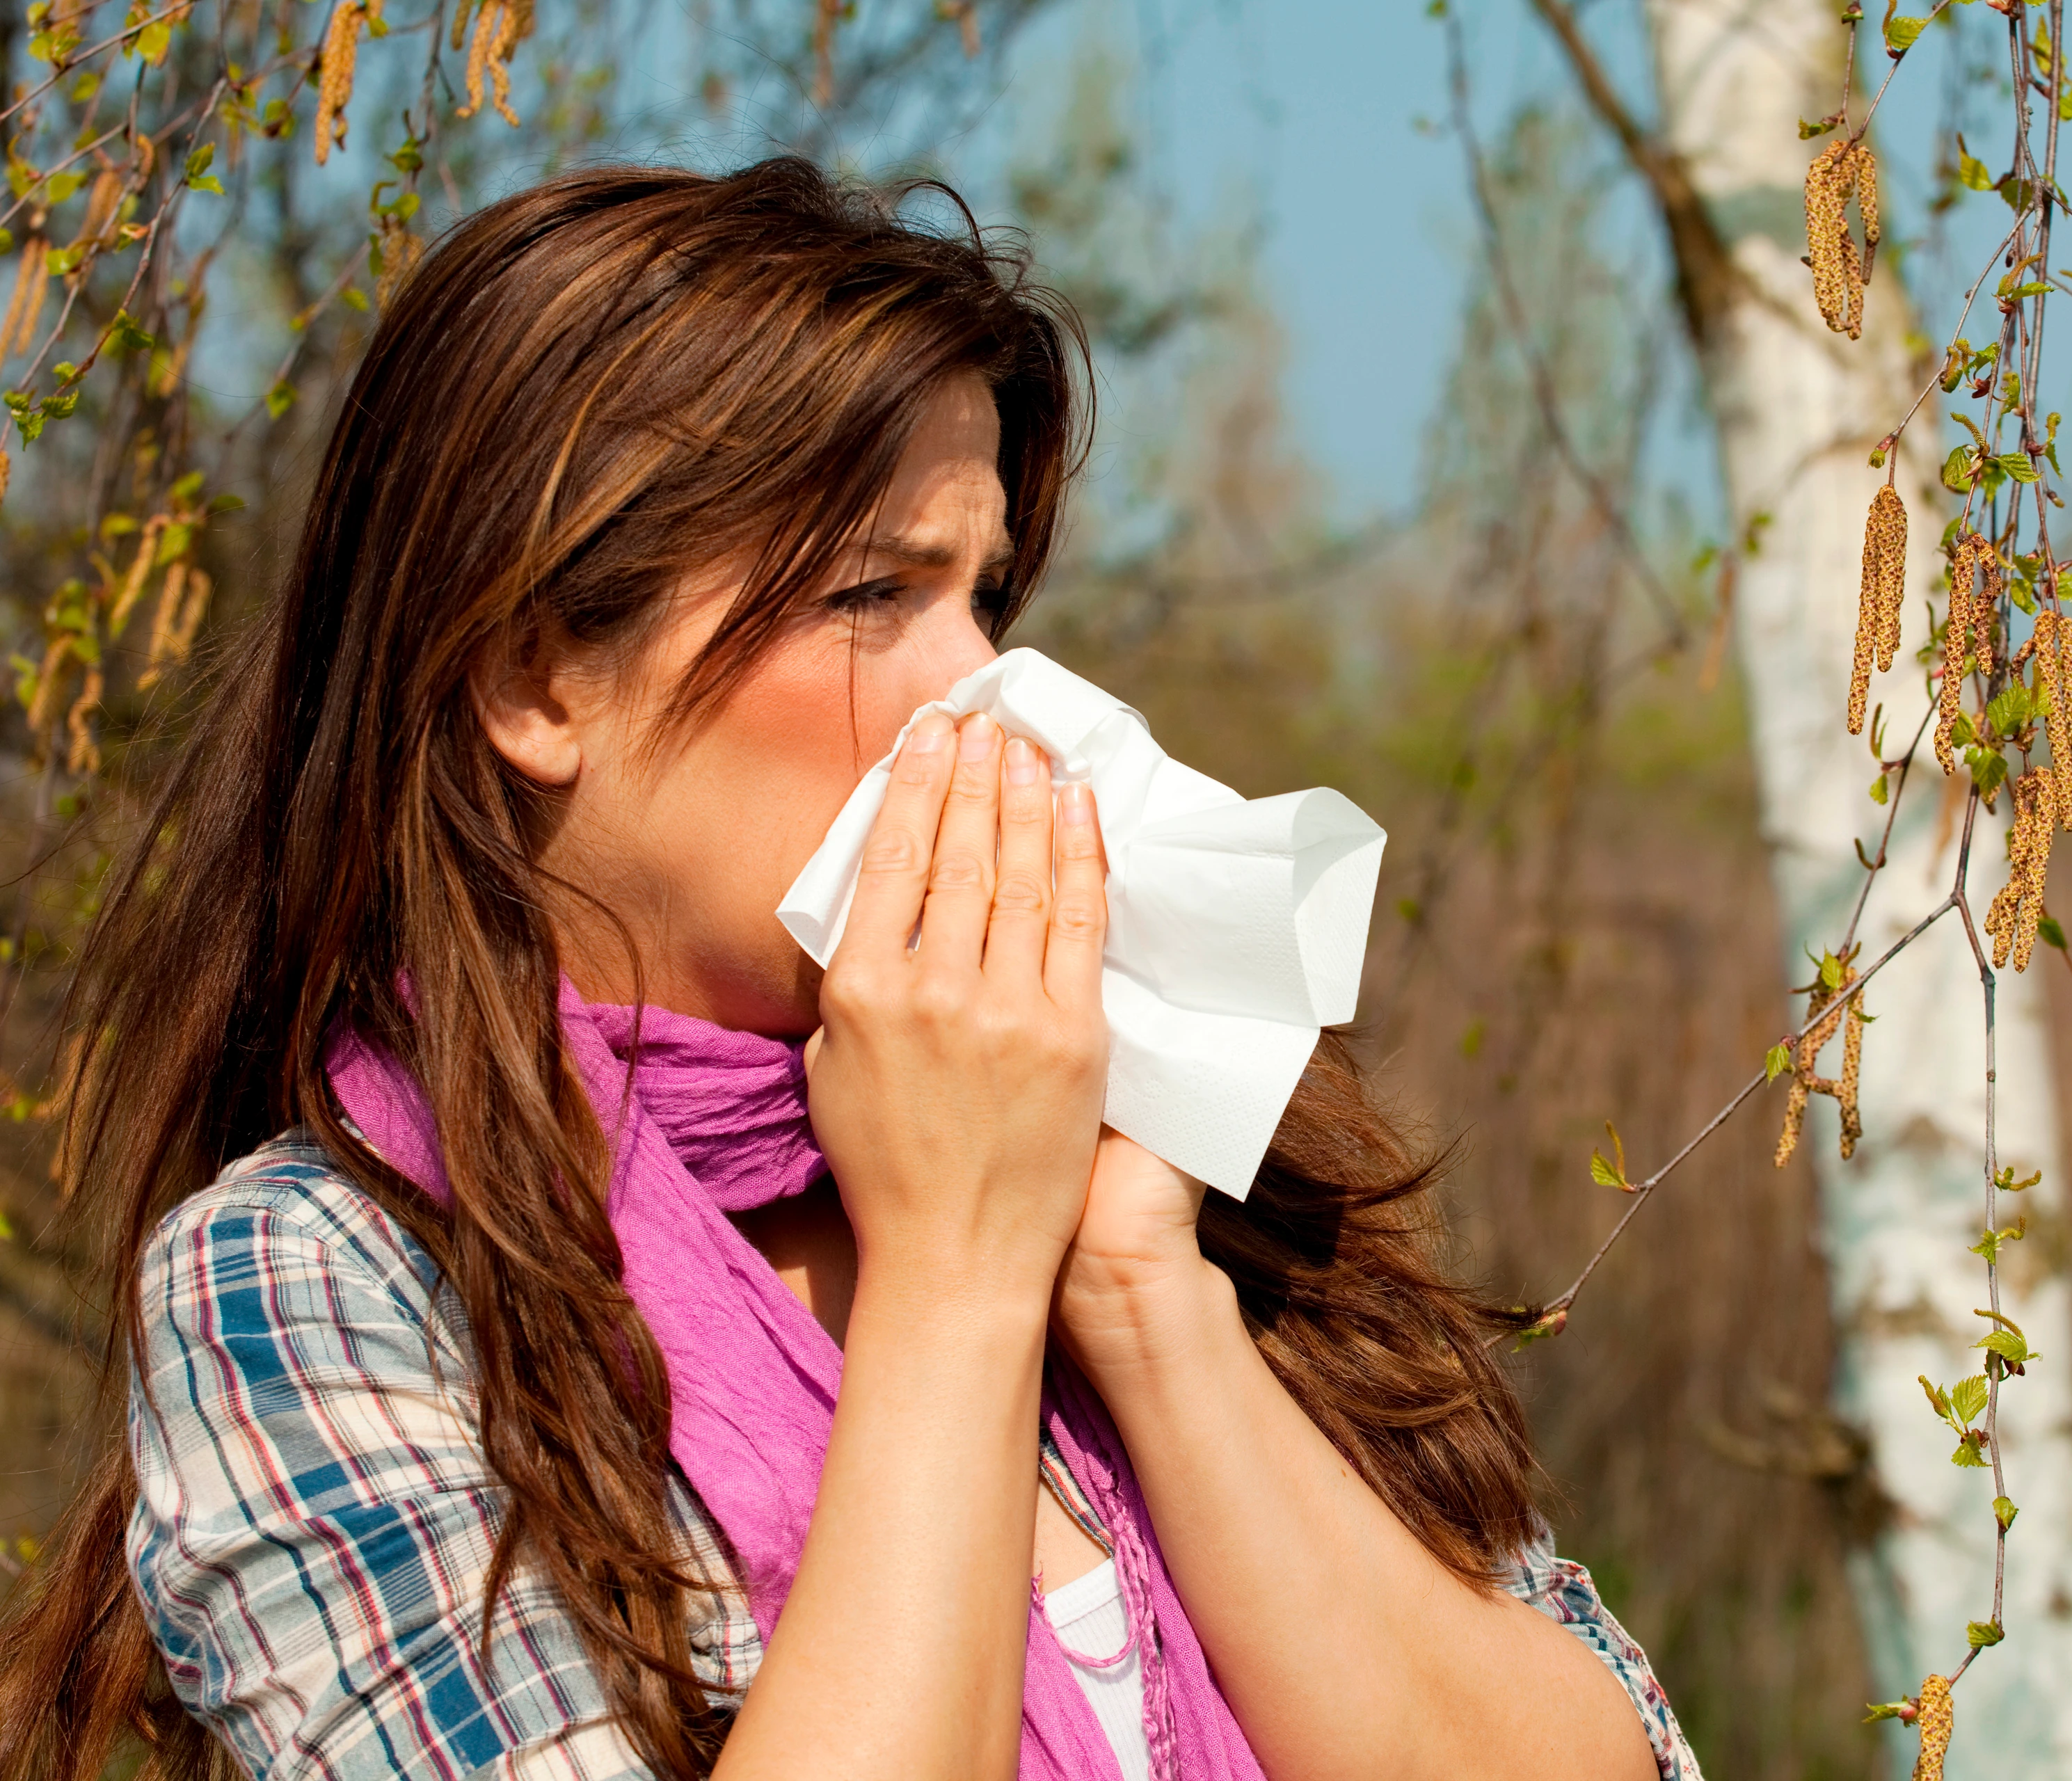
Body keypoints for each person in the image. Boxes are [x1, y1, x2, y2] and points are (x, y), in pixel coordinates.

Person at [0, 159, 1700, 1781]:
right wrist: (957, 1274)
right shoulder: (326, 1284)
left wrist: (1139, 1293)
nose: (981, 685)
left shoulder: (1179, 1178)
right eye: (873, 592)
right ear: (536, 679)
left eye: (986, 599)